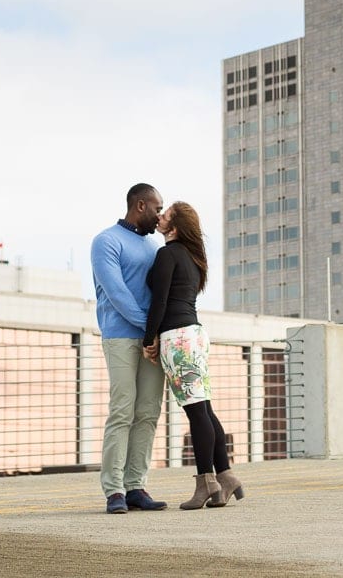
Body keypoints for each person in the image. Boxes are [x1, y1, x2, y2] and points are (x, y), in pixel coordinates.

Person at [142, 201, 244, 509]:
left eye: (165, 214)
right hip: (195, 336)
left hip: (177, 338)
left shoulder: (167, 254)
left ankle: (205, 483)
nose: (159, 217)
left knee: (197, 413)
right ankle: (224, 476)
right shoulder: (191, 258)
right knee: (205, 410)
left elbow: (158, 302)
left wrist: (149, 339)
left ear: (172, 228)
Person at [91, 182, 168, 514]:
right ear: (140, 206)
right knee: (122, 410)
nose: (160, 215)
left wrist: (155, 335)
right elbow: (117, 293)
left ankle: (136, 485)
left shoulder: (154, 247)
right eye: (157, 208)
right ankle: (114, 490)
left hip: (152, 339)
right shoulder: (106, 241)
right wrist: (148, 328)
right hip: (121, 335)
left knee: (148, 413)